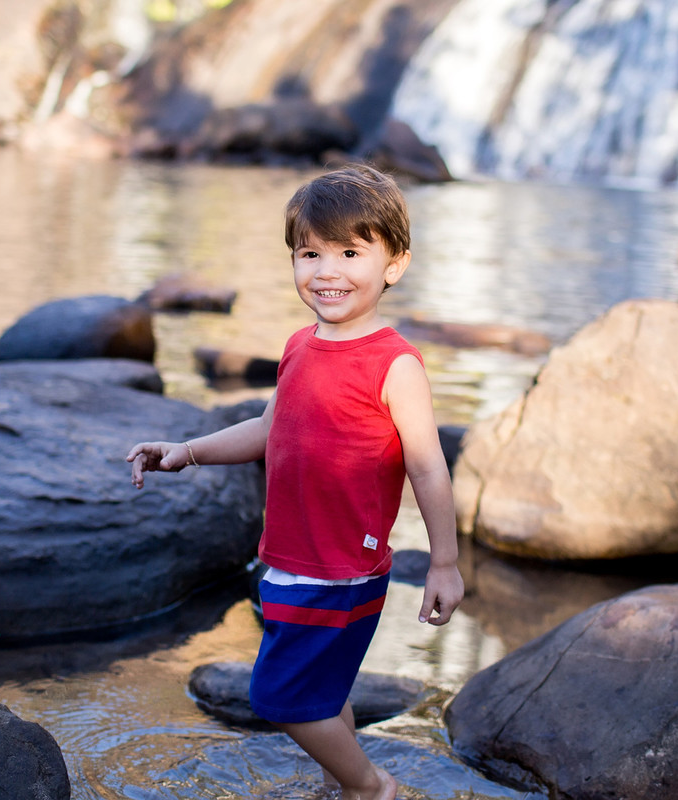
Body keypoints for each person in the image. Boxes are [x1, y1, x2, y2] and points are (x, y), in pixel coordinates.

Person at [126, 164, 463, 800]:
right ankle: (350, 783)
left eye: (349, 253)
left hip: (341, 569)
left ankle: (370, 787)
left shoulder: (395, 365)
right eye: (310, 253)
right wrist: (187, 451)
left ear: (394, 264)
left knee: (279, 698)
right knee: (321, 691)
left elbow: (428, 466)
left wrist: (443, 563)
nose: (326, 271)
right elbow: (268, 428)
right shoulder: (301, 346)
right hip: (289, 557)